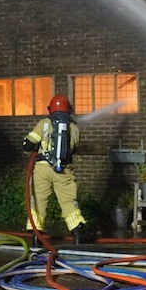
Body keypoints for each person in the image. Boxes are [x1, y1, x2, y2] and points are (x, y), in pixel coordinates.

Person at [22, 93, 89, 246]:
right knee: (68, 202)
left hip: (42, 170)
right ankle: (77, 231)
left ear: (50, 109)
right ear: (69, 110)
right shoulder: (74, 127)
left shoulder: (44, 123)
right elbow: (74, 149)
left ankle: (36, 235)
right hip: (63, 171)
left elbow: (28, 144)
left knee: (39, 200)